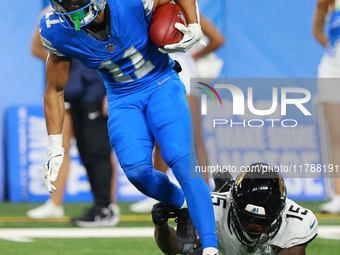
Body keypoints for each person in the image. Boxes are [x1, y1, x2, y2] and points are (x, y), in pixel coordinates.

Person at [40, 1, 218, 254]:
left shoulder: (130, 2)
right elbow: (55, 89)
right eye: (64, 2)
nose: (71, 7)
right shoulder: (57, 29)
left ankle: (211, 247)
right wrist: (55, 145)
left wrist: (194, 23)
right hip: (122, 97)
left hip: (161, 82)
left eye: (75, 1)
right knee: (136, 172)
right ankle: (184, 204)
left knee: (180, 157)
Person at [27, 5, 120, 227]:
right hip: (74, 91)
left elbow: (118, 49)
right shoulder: (51, 15)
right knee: (87, 151)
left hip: (97, 89)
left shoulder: (106, 8)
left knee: (98, 150)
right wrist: (66, 60)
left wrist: (112, 91)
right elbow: (37, 49)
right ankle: (100, 206)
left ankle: (107, 206)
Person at [130, 14, 225, 213]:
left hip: (182, 73)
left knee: (193, 138)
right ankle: (159, 193)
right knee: (162, 136)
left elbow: (217, 39)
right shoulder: (147, 8)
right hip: (159, 72)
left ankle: (205, 193)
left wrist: (192, 55)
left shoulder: (185, 10)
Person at [152, 163, 318, 255]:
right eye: (247, 218)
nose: (253, 225)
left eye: (262, 221)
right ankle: (225, 188)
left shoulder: (297, 222)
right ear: (234, 205)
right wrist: (162, 226)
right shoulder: (215, 208)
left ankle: (226, 187)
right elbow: (174, 248)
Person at [313, 0, 340, 213]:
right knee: (336, 136)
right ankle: (338, 195)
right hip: (332, 72)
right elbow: (317, 30)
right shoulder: (327, 1)